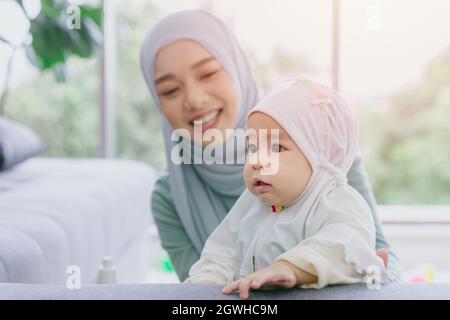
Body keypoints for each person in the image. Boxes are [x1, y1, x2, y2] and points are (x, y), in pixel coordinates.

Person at [140, 10, 401, 283]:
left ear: (236, 67)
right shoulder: (170, 196)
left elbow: (371, 253)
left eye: (207, 73)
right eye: (170, 90)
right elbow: (204, 286)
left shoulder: (326, 157)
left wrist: (298, 269)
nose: (193, 100)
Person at [185, 79, 390, 299]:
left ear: (318, 156)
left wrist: (291, 267)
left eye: (276, 148)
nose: (256, 161)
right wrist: (207, 282)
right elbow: (222, 252)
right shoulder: (251, 204)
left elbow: (342, 247)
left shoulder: (337, 202)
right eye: (252, 147)